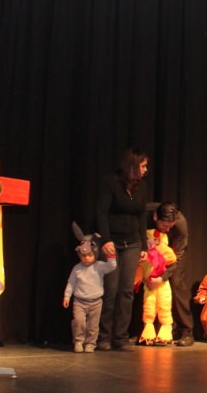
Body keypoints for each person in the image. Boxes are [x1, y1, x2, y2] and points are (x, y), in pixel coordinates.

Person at [97, 148, 149, 352]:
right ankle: (104, 336)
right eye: (143, 166)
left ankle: (120, 337)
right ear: (132, 166)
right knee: (110, 290)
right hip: (113, 242)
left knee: (127, 290)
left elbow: (142, 217)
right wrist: (106, 240)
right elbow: (101, 213)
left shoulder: (142, 187)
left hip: (133, 243)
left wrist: (143, 245)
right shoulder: (111, 182)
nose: (146, 170)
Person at [63, 224, 117, 353]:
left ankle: (90, 343)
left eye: (90, 255)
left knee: (93, 325)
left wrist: (111, 256)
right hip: (79, 302)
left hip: (96, 302)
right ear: (79, 255)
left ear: (96, 254)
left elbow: (111, 267)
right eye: (84, 256)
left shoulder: (99, 266)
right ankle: (78, 341)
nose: (87, 258)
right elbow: (71, 283)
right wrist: (67, 296)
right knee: (79, 322)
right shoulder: (77, 268)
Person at [153, 202, 195, 346]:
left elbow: (177, 257)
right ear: (155, 217)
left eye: (171, 226)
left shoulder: (180, 224)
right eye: (164, 225)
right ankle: (147, 330)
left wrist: (163, 277)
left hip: (173, 253)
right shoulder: (145, 215)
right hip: (151, 250)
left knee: (176, 283)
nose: (167, 229)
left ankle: (186, 331)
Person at [133, 229, 176, 345]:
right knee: (149, 307)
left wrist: (160, 247)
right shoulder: (144, 253)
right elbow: (140, 267)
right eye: (149, 239)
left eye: (155, 239)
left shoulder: (163, 250)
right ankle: (148, 333)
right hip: (149, 284)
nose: (152, 241)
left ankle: (165, 334)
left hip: (163, 284)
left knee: (164, 306)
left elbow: (172, 259)